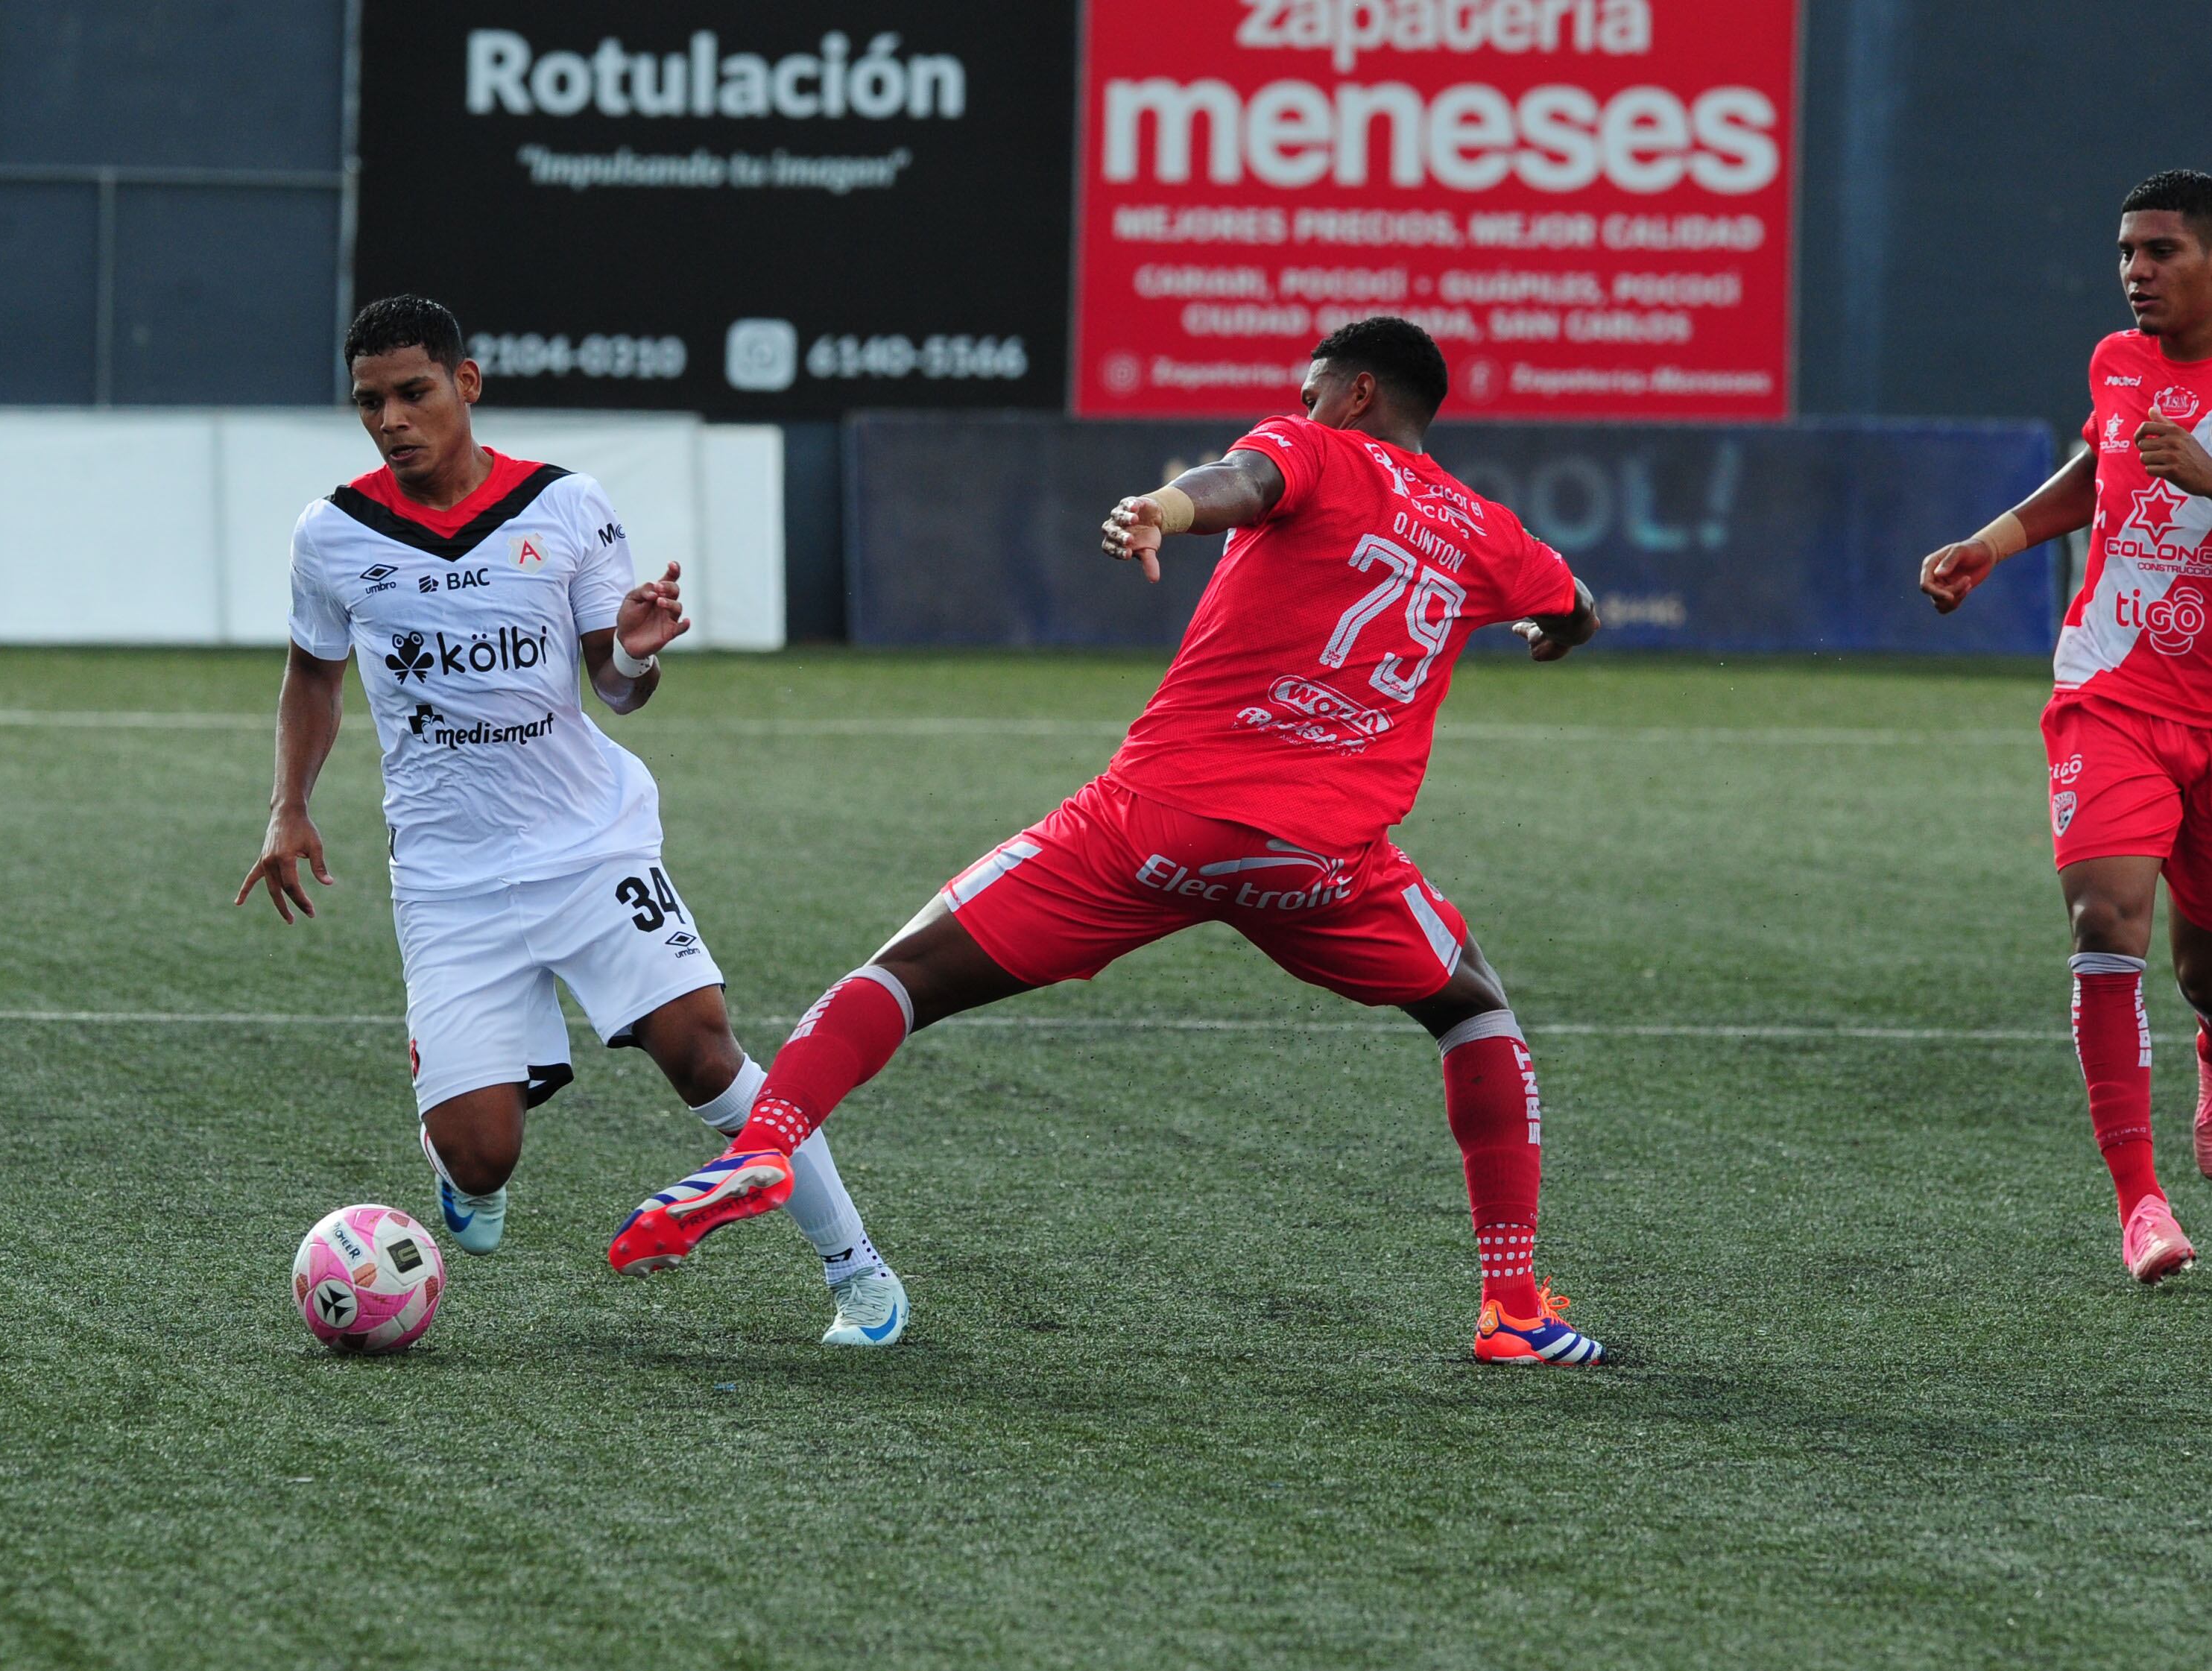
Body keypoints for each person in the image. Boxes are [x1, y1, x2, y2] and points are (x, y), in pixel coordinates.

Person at [609, 315, 1607, 1365]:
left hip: (1157, 822)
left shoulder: (1314, 444)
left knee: (906, 975)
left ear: (1355, 394)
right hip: (1320, 862)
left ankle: (767, 1147)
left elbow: (1244, 480)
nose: (1300, 401)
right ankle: (1512, 1309)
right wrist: (1549, 631)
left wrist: (1161, 511)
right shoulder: (1485, 532)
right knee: (1472, 1006)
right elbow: (1576, 604)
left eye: (1312, 387)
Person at [236, 294, 908, 1345]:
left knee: (701, 1046)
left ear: (466, 383)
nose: (392, 419)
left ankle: (857, 1273)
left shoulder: (565, 505)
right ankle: (469, 1165)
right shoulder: (332, 535)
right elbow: (312, 678)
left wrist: (633, 650)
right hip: (450, 879)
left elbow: (619, 691)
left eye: (413, 393)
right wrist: (288, 807)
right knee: (480, 1153)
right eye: (370, 403)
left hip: (588, 846)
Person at [1922, 169, 2212, 1283]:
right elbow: (2103, 467)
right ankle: (2139, 1202)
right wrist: (1992, 543)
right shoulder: (2115, 360)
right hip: (2114, 689)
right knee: (2104, 919)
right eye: (2126, 253)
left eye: (2161, 253)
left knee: (2203, 970)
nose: (2136, 272)